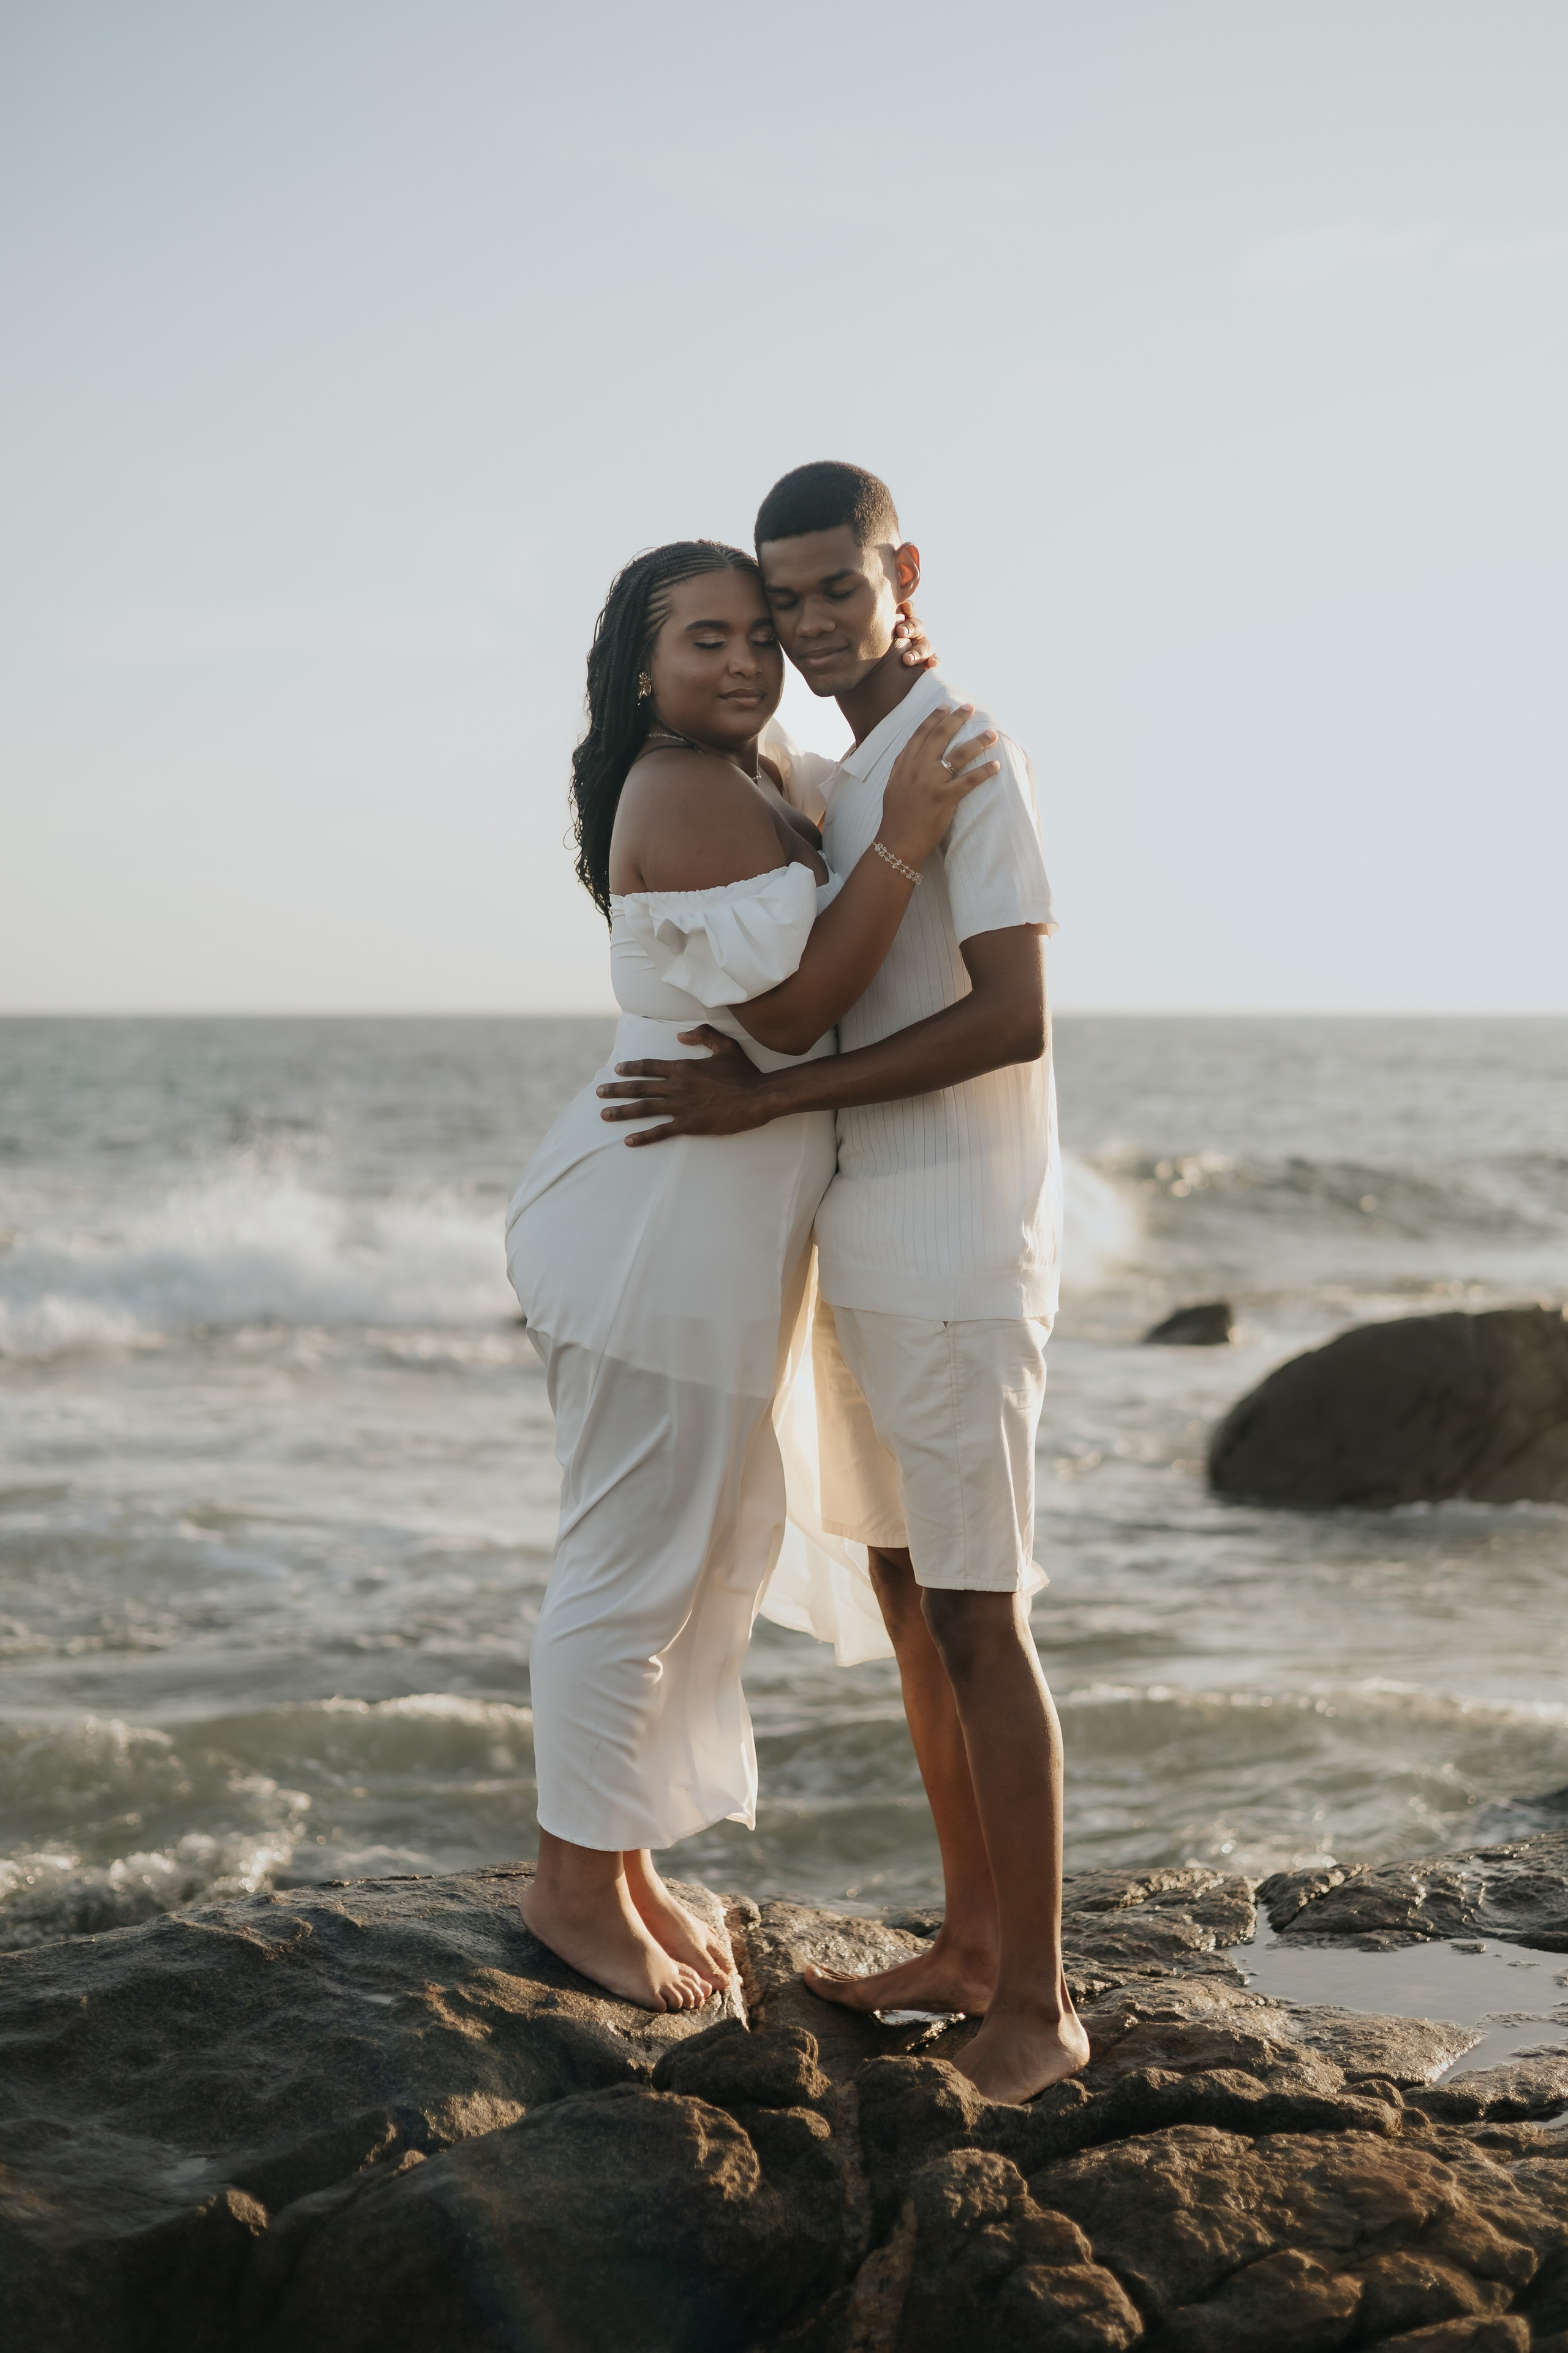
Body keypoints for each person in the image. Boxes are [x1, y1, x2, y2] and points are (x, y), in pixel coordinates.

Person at [596, 464, 1090, 2102]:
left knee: (979, 1613)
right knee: (907, 1594)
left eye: (835, 591)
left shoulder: (960, 750)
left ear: (902, 577)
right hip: (871, 1240)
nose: (804, 627)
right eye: (781, 601)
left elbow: (1011, 1015)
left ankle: (1038, 2008)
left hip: (957, 1244)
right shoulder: (848, 768)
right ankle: (969, 1942)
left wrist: (769, 1098)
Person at [505, 537, 996, 2014]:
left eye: (755, 636)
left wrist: (894, 702)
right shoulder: (677, 787)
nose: (740, 661)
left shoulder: (759, 774)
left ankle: (621, 1856)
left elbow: (834, 833)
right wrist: (905, 836)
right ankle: (568, 1885)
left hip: (711, 1235)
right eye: (703, 639)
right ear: (641, 667)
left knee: (695, 1559)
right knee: (632, 1562)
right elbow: (787, 1015)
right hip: (651, 1227)